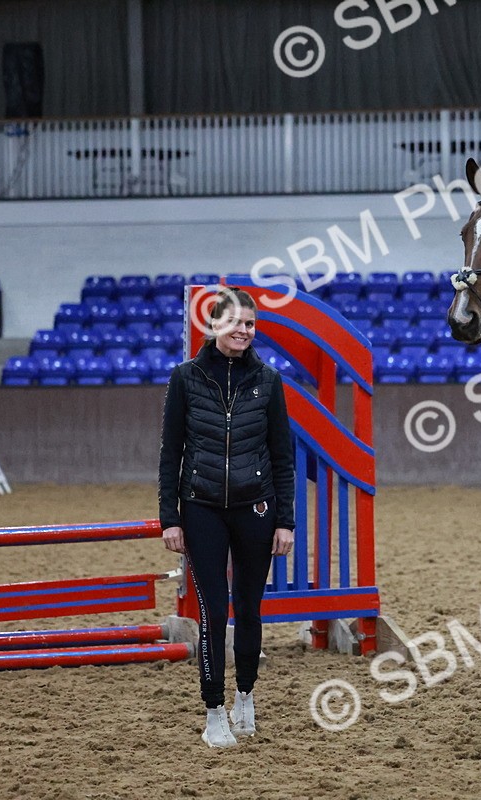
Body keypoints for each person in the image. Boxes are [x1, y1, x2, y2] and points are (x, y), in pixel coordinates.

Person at [158, 288, 295, 748]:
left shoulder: (270, 382)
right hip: (200, 509)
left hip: (257, 509)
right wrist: (169, 517)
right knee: (214, 612)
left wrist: (286, 521)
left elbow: (283, 457)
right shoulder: (185, 378)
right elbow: (169, 453)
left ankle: (245, 695)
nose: (242, 330)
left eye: (250, 324)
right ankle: (214, 710)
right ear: (213, 324)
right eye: (234, 321)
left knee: (250, 610)